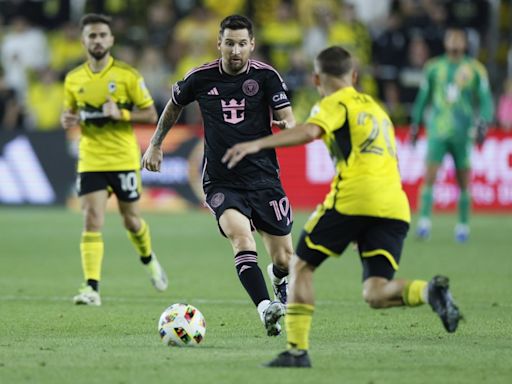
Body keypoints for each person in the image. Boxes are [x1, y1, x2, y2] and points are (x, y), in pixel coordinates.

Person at [223, 46, 462, 368]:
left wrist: (256, 143)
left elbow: (310, 131)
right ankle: (429, 291)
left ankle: (296, 351)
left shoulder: (335, 102)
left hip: (354, 198)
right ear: (354, 75)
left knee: (299, 266)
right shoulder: (377, 109)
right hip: (394, 206)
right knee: (375, 292)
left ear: (317, 78)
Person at [142, 15, 294, 337]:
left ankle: (279, 279)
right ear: (219, 43)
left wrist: (285, 125)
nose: (235, 50)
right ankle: (265, 308)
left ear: (251, 44)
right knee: (241, 238)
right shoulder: (200, 77)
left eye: (242, 43)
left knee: (284, 258)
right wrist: (155, 144)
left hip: (264, 177)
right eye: (229, 43)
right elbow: (173, 105)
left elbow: (287, 117)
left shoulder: (267, 77)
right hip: (221, 180)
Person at [60, 13, 168, 306]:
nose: (97, 40)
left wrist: (120, 113)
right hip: (92, 159)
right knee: (92, 219)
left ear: (111, 39)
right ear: (84, 41)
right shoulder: (73, 79)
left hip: (122, 158)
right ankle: (91, 288)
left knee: (131, 221)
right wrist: (66, 118)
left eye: (102, 35)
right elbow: (69, 114)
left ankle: (149, 260)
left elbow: (150, 114)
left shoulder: (127, 76)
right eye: (91, 36)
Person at [411, 27, 494, 242]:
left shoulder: (475, 69)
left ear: (465, 43)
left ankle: (463, 226)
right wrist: (415, 123)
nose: (455, 42)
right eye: (451, 38)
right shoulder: (433, 68)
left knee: (464, 179)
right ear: (446, 42)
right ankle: (424, 223)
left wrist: (484, 122)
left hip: (463, 132)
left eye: (459, 38)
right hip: (437, 130)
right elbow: (423, 98)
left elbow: (485, 100)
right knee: (429, 175)